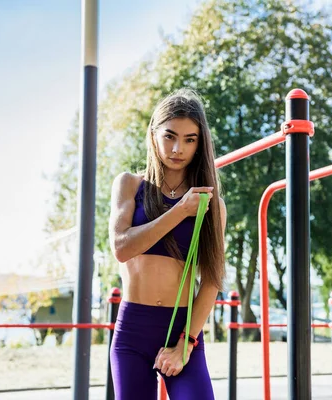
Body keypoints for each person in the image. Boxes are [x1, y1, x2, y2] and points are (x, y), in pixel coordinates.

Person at [108, 88, 226, 400]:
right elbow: (121, 248)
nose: (178, 148)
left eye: (190, 139)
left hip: (182, 328)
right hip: (133, 331)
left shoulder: (210, 204)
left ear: (200, 144)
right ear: (153, 135)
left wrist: (186, 344)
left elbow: (212, 278)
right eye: (170, 136)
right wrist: (179, 211)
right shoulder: (129, 185)